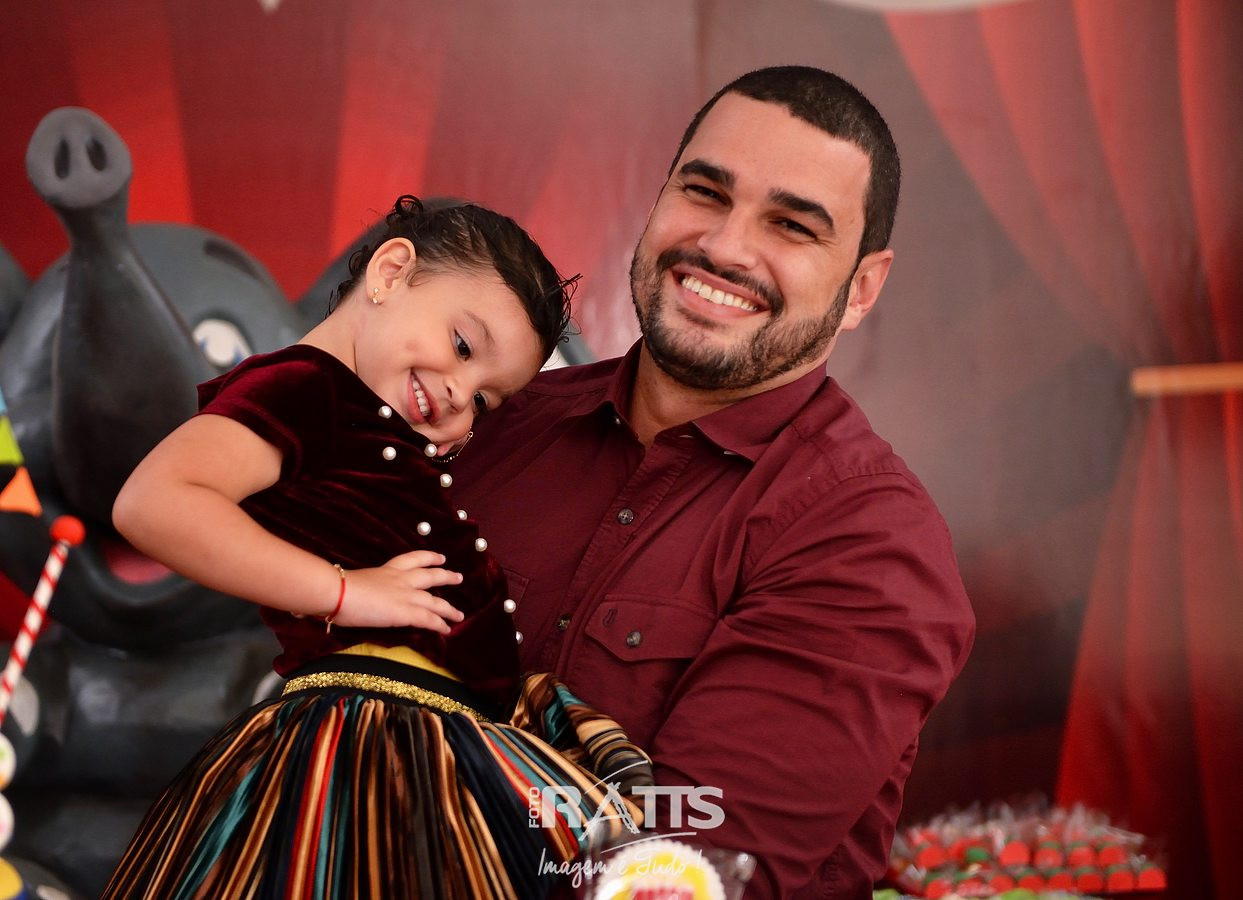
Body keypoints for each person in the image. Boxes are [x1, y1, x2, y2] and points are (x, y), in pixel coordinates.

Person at [450, 66, 976, 898]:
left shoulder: (869, 545)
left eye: (791, 225)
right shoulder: (490, 425)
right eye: (704, 192)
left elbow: (679, 876)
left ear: (861, 289)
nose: (725, 248)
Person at [101, 195, 650, 899]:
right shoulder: (302, 388)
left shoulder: (370, 421)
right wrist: (343, 591)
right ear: (390, 273)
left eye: (485, 401)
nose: (460, 395)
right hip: (359, 740)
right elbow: (153, 502)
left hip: (430, 744)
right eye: (462, 346)